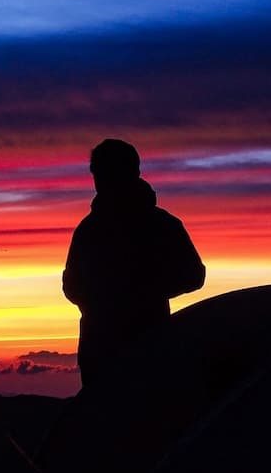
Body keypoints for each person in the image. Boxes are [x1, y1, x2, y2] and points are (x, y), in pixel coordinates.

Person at [62, 139, 205, 389]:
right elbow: (72, 285)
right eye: (100, 174)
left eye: (109, 173)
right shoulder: (90, 230)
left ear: (133, 172)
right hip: (103, 350)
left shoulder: (160, 225)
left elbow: (194, 275)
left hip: (146, 345)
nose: (102, 181)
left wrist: (140, 292)